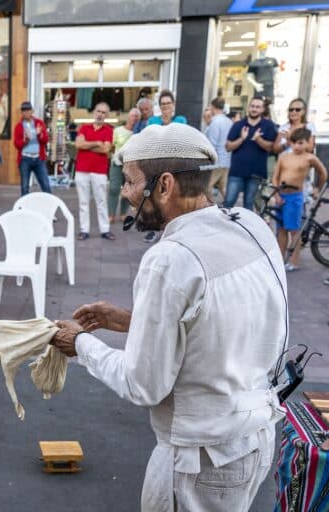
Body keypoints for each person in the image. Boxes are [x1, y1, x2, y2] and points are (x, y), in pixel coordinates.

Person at [52, 123, 286, 511]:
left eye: (130, 182)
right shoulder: (251, 225)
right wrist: (132, 321)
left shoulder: (170, 258)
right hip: (255, 440)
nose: (125, 193)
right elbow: (217, 323)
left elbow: (143, 384)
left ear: (164, 185)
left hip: (199, 459)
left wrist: (80, 344)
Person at [271, 128, 327, 271]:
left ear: (307, 142)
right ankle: (280, 260)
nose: (297, 146)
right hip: (280, 196)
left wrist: (317, 188)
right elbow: (275, 177)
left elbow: (323, 173)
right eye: (294, 142)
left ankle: (294, 261)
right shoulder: (284, 157)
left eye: (301, 143)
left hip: (295, 197)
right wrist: (276, 195)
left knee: (294, 230)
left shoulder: (309, 158)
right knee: (281, 229)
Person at [143, 91, 187, 244]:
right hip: (156, 165)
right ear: (159, 106)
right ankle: (153, 229)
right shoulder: (152, 121)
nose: (166, 106)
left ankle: (171, 229)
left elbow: (179, 140)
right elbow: (150, 141)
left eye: (168, 103)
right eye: (163, 104)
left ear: (173, 104)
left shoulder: (181, 120)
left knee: (173, 198)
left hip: (175, 166)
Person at [224, 96, 277, 210]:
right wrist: (241, 139)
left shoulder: (268, 125)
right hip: (237, 171)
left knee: (248, 204)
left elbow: (270, 148)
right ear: (248, 107)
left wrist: (258, 139)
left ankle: (247, 223)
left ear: (263, 109)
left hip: (256, 173)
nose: (254, 109)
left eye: (258, 107)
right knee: (228, 202)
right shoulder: (238, 125)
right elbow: (228, 147)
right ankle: (222, 222)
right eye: (252, 106)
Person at [74, 102, 115, 241]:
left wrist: (87, 145)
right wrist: (97, 143)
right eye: (98, 111)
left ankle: (105, 230)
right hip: (82, 169)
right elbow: (78, 144)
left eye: (103, 113)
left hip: (99, 170)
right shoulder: (84, 127)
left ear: (107, 115)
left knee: (101, 201)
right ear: (94, 112)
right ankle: (84, 230)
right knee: (83, 202)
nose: (100, 114)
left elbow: (106, 149)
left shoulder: (109, 130)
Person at [13, 101, 50, 196]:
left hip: (39, 159)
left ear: (32, 111)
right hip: (25, 159)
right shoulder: (19, 126)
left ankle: (50, 204)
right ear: (22, 112)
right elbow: (17, 145)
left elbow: (46, 140)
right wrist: (25, 140)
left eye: (28, 110)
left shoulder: (39, 123)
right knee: (24, 187)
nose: (26, 112)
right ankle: (24, 205)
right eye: (24, 111)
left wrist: (39, 134)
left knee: (46, 185)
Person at [108, 108, 139, 223]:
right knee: (114, 188)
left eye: (137, 117)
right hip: (117, 164)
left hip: (131, 167)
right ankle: (111, 214)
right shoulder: (117, 130)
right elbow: (111, 147)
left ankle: (123, 214)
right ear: (128, 117)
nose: (134, 118)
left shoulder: (138, 133)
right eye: (132, 116)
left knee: (128, 191)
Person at [204, 98, 233, 203]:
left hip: (216, 162)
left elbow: (212, 144)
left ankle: (212, 206)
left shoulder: (215, 122)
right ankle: (231, 207)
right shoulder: (229, 122)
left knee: (206, 186)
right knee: (223, 188)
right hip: (227, 160)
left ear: (213, 107)